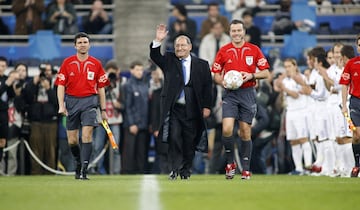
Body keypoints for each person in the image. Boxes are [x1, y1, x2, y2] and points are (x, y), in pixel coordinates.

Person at [150, 24, 213, 180]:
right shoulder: (169, 60)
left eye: (183, 45)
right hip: (174, 108)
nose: (179, 48)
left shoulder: (202, 65)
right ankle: (174, 168)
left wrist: (207, 106)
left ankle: (186, 170)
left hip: (193, 107)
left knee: (189, 141)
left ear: (190, 47)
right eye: (177, 45)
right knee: (174, 137)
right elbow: (155, 56)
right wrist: (158, 40)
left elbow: (208, 87)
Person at [211, 19, 270, 180]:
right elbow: (215, 73)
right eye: (233, 31)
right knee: (227, 129)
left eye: (239, 30)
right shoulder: (224, 50)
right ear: (229, 33)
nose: (236, 33)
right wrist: (221, 81)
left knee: (245, 131)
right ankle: (230, 164)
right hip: (230, 93)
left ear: (244, 32)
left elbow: (266, 73)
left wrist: (252, 75)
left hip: (248, 92)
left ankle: (246, 169)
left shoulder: (254, 50)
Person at [55, 32, 110, 180]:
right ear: (75, 46)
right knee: (72, 140)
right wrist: (61, 105)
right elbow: (60, 85)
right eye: (79, 43)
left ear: (89, 45)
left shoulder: (96, 63)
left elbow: (101, 88)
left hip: (90, 102)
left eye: (85, 42)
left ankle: (85, 169)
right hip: (72, 102)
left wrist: (103, 110)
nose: (82, 45)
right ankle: (78, 163)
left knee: (86, 135)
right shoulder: (67, 63)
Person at [278, 58, 312, 175]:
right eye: (285, 67)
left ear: (295, 66)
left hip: (300, 112)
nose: (287, 69)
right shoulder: (286, 80)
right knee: (293, 141)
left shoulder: (300, 78)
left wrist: (284, 88)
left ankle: (308, 166)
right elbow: (280, 92)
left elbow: (296, 95)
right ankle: (298, 168)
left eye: (289, 66)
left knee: (303, 139)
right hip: (290, 112)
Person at [93, 60, 123, 174]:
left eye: (113, 74)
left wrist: (119, 105)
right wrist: (105, 87)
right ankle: (98, 171)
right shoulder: (99, 84)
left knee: (115, 147)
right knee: (98, 147)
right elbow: (95, 100)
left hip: (115, 120)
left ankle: (116, 171)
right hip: (102, 121)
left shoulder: (121, 83)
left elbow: (125, 103)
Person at [121, 61, 150, 174]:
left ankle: (141, 171)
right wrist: (132, 123)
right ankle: (127, 171)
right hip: (132, 125)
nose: (140, 72)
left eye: (141, 70)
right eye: (137, 70)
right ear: (131, 70)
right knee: (130, 151)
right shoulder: (127, 85)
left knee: (142, 151)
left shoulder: (145, 84)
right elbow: (128, 106)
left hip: (144, 125)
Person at [339, 34, 360, 177]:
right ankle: (357, 165)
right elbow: (345, 84)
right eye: (359, 45)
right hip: (356, 102)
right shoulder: (351, 64)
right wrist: (344, 104)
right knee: (357, 134)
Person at [0, 57, 18, 175]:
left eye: (3, 66)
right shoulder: (6, 81)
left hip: (3, 114)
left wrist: (12, 84)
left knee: (2, 142)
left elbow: (11, 96)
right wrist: (7, 84)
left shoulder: (7, 79)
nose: (1, 68)